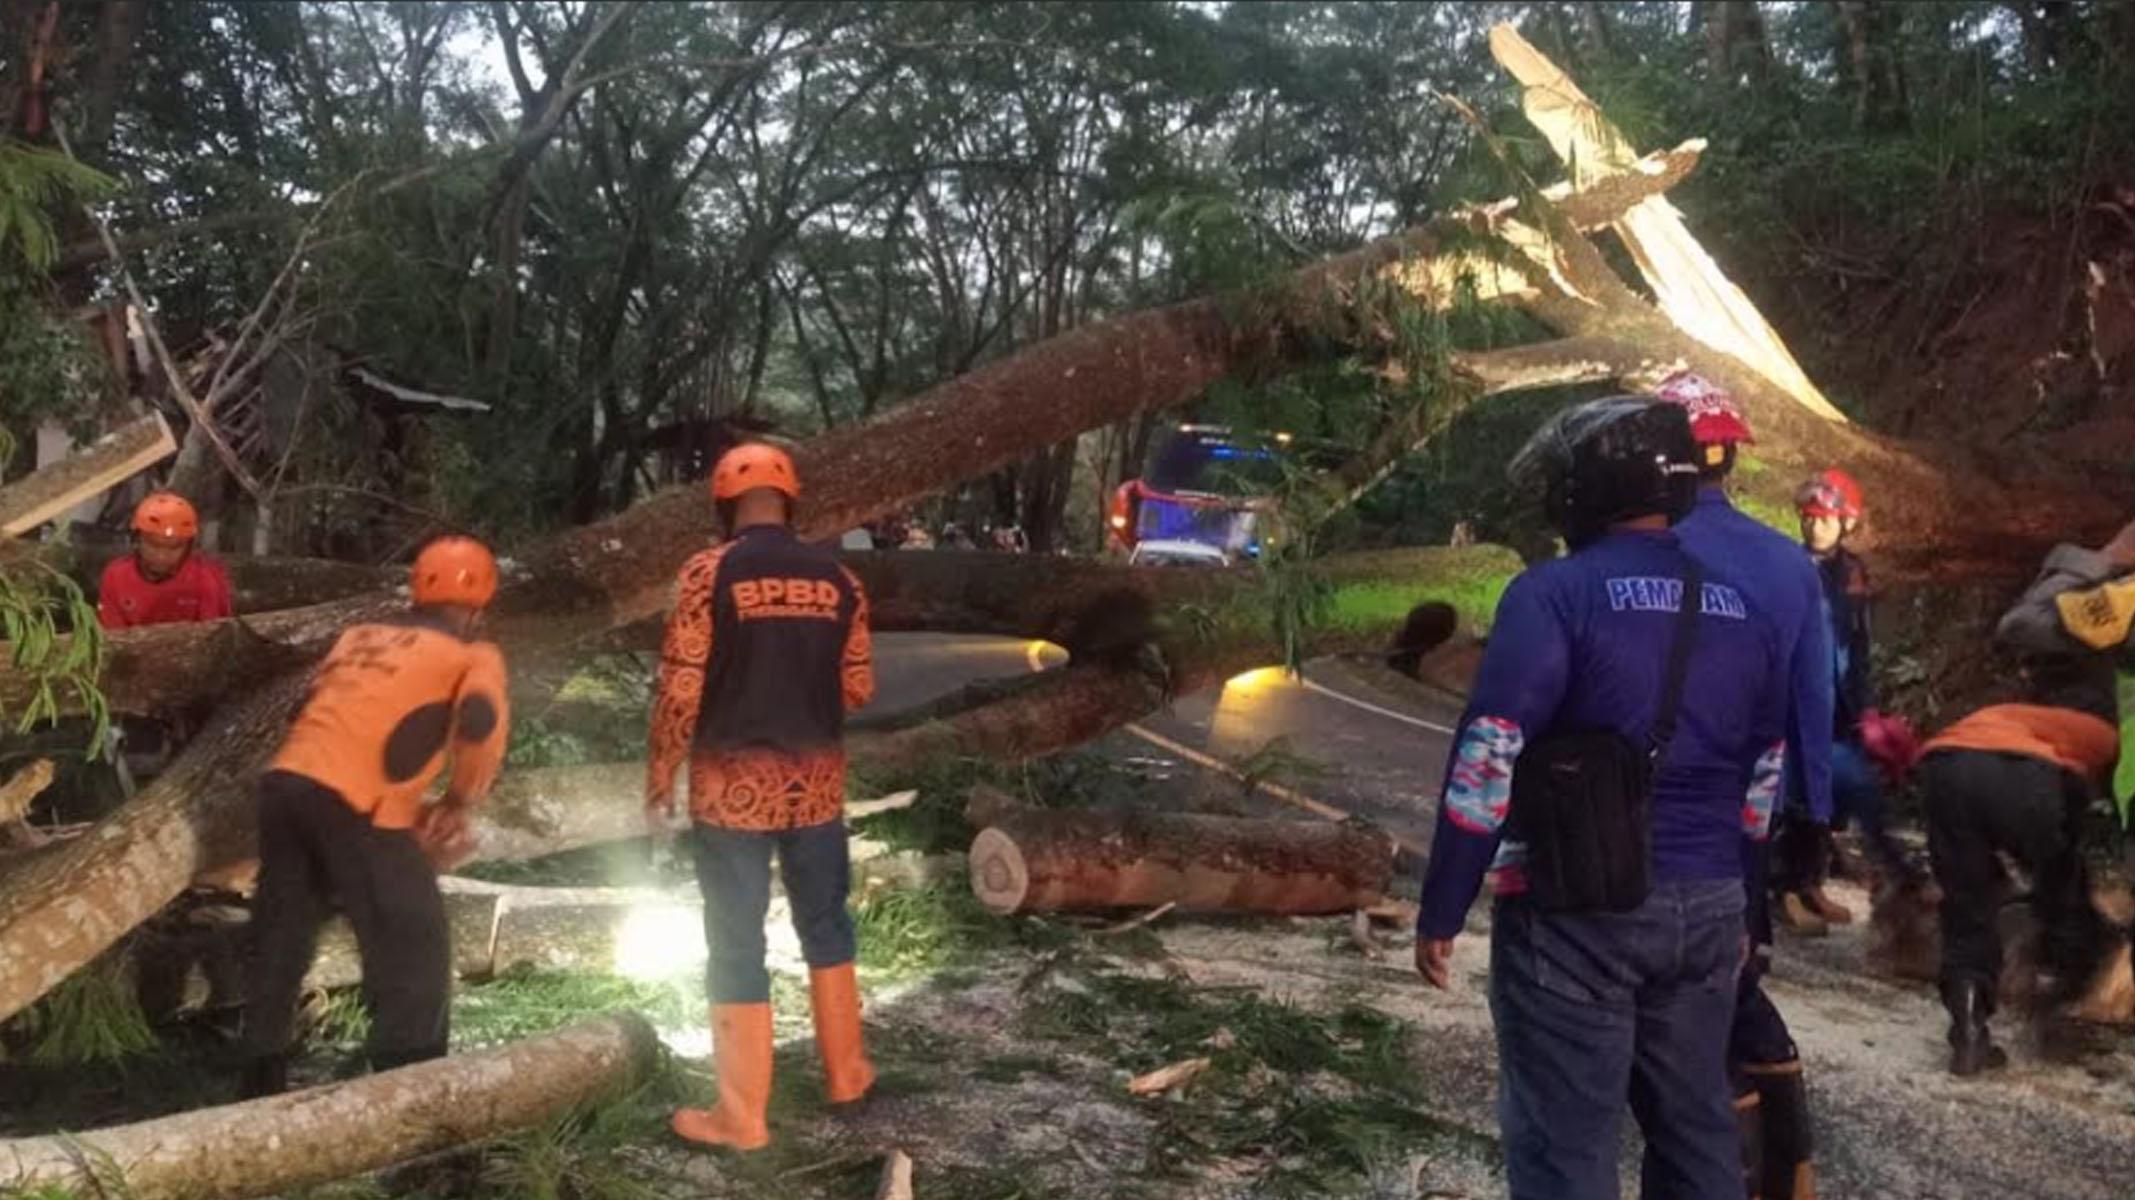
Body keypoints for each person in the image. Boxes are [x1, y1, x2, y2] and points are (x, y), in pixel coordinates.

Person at [1416, 396, 1790, 1200]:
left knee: (1565, 1147)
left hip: (1574, 908)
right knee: (1696, 1135)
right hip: (1707, 908)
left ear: (1585, 486)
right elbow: (1763, 780)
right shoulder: (1745, 610)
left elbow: (1490, 753)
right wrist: (1746, 914)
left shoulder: (1553, 595)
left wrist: (1441, 907)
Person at [646, 442, 877, 1152]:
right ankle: (847, 1074)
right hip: (816, 785)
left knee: (736, 938)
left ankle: (742, 1115)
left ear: (724, 504)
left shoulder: (706, 573)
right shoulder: (841, 581)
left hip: (729, 788)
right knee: (825, 922)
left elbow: (681, 688)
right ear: (791, 499)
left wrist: (660, 772)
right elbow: (858, 687)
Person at [238, 536, 509, 1098]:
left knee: (282, 933)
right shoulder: (472, 656)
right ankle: (409, 1094)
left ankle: (259, 1076)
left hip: (286, 784)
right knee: (413, 941)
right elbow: (480, 724)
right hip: (359, 803)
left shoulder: (359, 638)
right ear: (480, 605)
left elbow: (315, 711)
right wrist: (459, 801)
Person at [1657, 372, 1834, 1196]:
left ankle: (1730, 1168)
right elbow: (1811, 703)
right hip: (1745, 823)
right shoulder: (1788, 566)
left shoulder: (1625, 551)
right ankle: (1786, 1166)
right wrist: (1815, 818)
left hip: (1640, 824)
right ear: (1730, 457)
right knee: (1732, 980)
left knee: (1675, 1015)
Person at [1917, 680, 2121, 1076]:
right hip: (2022, 773)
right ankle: (2058, 998)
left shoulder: (2023, 715)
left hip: (1944, 765)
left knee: (1966, 906)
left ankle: (1969, 1035)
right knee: (2063, 887)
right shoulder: (2105, 738)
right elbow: (2071, 830)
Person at [1773, 469, 1910, 929]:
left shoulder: (1854, 573)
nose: (1815, 527)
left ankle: (1812, 881)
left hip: (1840, 699)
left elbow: (1861, 643)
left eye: (1825, 519)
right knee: (1791, 794)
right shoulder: (1785, 565)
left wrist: (1867, 705)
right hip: (1794, 698)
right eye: (1809, 518)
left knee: (1828, 798)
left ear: (1846, 522)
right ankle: (1784, 886)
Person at [97, 491, 233, 629]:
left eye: (174, 548)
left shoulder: (206, 578)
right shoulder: (115, 576)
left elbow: (215, 636)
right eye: (152, 545)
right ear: (136, 540)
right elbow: (112, 638)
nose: (161, 556)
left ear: (189, 547)